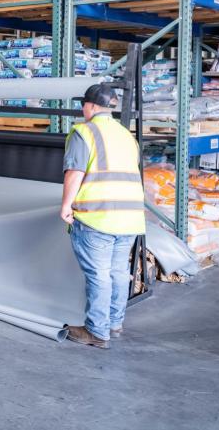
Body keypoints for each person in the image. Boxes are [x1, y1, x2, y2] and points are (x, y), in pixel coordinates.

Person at [60, 82, 145, 349]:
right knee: (118, 272)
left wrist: (66, 205)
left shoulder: (83, 132)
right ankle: (114, 323)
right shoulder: (126, 135)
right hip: (130, 217)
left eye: (83, 104)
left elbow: (75, 172)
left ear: (92, 106)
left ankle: (96, 332)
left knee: (98, 273)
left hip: (98, 216)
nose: (82, 109)